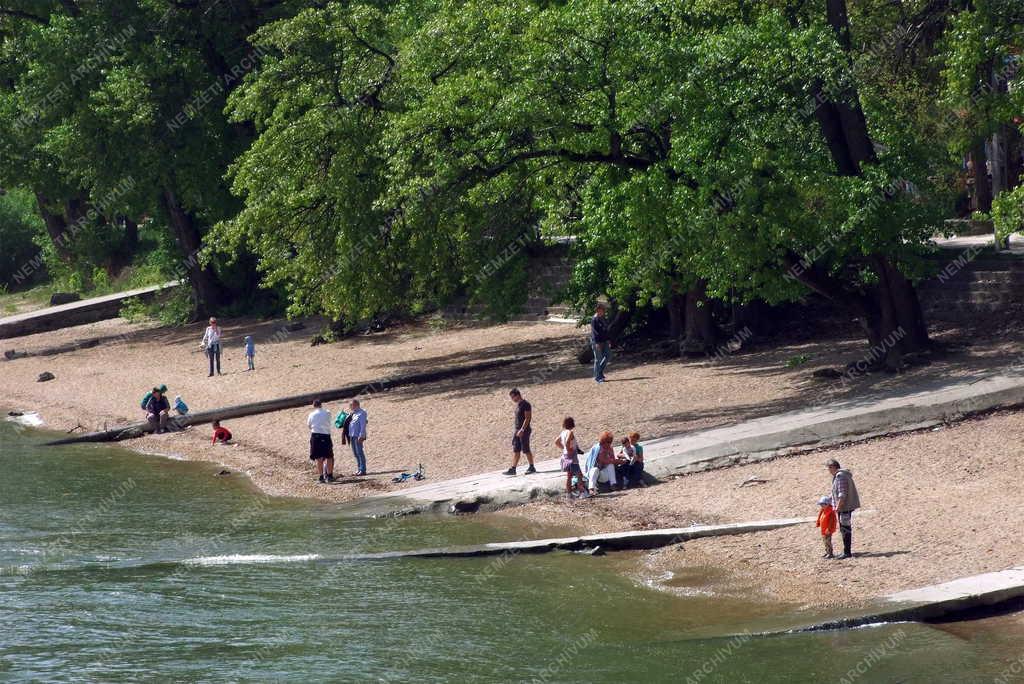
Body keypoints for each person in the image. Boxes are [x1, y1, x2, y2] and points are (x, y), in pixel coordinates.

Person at [827, 458, 861, 559]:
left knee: (845, 529)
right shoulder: (840, 475)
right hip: (844, 507)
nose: (829, 471)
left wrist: (838, 506)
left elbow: (842, 494)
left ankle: (847, 552)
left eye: (829, 468)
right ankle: (846, 551)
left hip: (844, 508)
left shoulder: (840, 476)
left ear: (833, 467)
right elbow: (836, 491)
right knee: (845, 528)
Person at [503, 388, 536, 476]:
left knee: (526, 449)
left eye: (513, 397)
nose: (512, 399)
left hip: (524, 430)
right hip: (517, 430)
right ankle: (513, 469)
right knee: (516, 449)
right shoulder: (518, 405)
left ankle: (532, 467)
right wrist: (518, 430)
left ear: (518, 395)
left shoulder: (526, 404)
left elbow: (528, 418)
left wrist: (522, 429)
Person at [554, 416, 587, 497]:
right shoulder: (570, 432)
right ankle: (582, 493)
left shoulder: (563, 432)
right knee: (579, 475)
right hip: (572, 457)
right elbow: (568, 441)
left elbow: (556, 442)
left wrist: (564, 449)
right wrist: (568, 449)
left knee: (569, 476)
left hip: (565, 457)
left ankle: (569, 494)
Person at [307, 399, 334, 483]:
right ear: (321, 405)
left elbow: (309, 425)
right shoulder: (328, 412)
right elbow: (330, 422)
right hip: (326, 435)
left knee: (318, 457)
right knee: (329, 456)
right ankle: (329, 476)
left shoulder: (312, 414)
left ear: (314, 405)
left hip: (316, 435)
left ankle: (321, 477)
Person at [347, 399, 368, 476]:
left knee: (359, 452)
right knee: (355, 453)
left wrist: (361, 435)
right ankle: (359, 468)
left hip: (358, 435)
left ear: (356, 404)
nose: (350, 407)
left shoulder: (362, 413)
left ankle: (363, 470)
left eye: (351, 405)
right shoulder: (353, 413)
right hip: (352, 435)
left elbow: (363, 425)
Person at [590, 303, 610, 382]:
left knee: (608, 355)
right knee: (598, 359)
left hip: (604, 341)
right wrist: (597, 343)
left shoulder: (602, 318)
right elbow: (594, 333)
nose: (603, 312)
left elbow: (605, 330)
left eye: (603, 310)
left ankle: (600, 371)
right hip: (597, 342)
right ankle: (597, 377)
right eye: (602, 310)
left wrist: (608, 339)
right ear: (598, 310)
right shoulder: (594, 319)